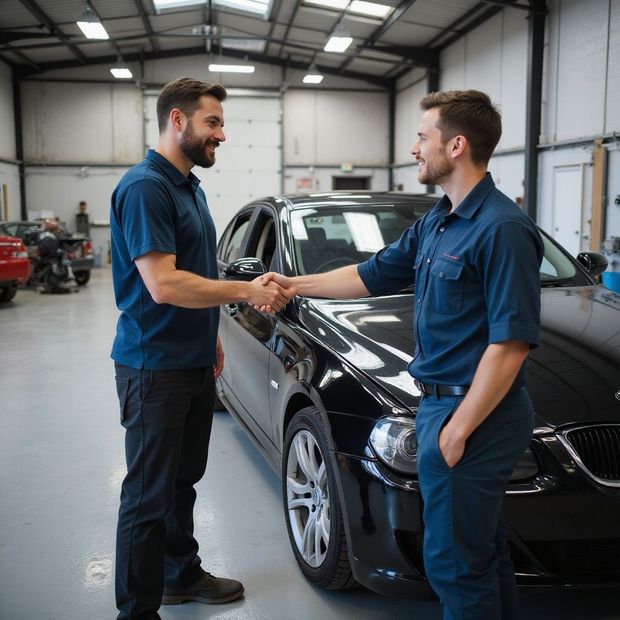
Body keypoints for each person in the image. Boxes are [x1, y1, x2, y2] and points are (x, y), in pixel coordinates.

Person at [259, 90, 543, 620]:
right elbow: (370, 274)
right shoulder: (440, 220)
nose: (414, 148)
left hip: (473, 415)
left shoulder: (500, 228)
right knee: (479, 553)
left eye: (422, 136)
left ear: (456, 145)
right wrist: (294, 284)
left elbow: (510, 345)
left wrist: (455, 433)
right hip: (440, 408)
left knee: (454, 563)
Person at [109, 76, 296, 620]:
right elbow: (164, 285)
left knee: (182, 483)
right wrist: (246, 290)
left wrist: (210, 334)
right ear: (177, 120)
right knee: (147, 496)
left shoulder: (188, 185)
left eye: (220, 122)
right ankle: (137, 611)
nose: (222, 134)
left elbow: (197, 273)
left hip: (189, 360)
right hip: (153, 369)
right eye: (212, 122)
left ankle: (179, 576)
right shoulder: (147, 187)